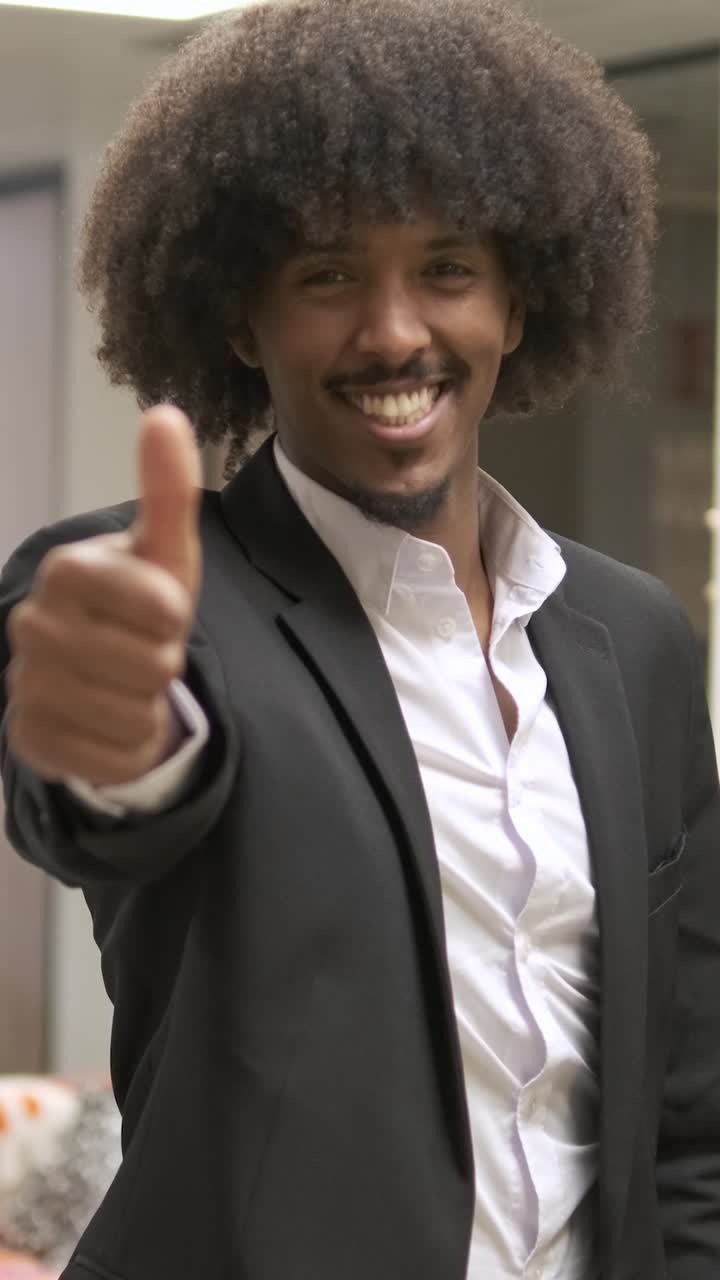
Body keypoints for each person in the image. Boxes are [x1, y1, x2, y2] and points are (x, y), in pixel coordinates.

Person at [1, 0, 718, 1276]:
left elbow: (688, 1119)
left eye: (446, 267)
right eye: (328, 274)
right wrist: (116, 742)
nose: (394, 332)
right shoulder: (143, 597)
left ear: (516, 299)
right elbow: (115, 784)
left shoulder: (640, 642)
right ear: (239, 317)